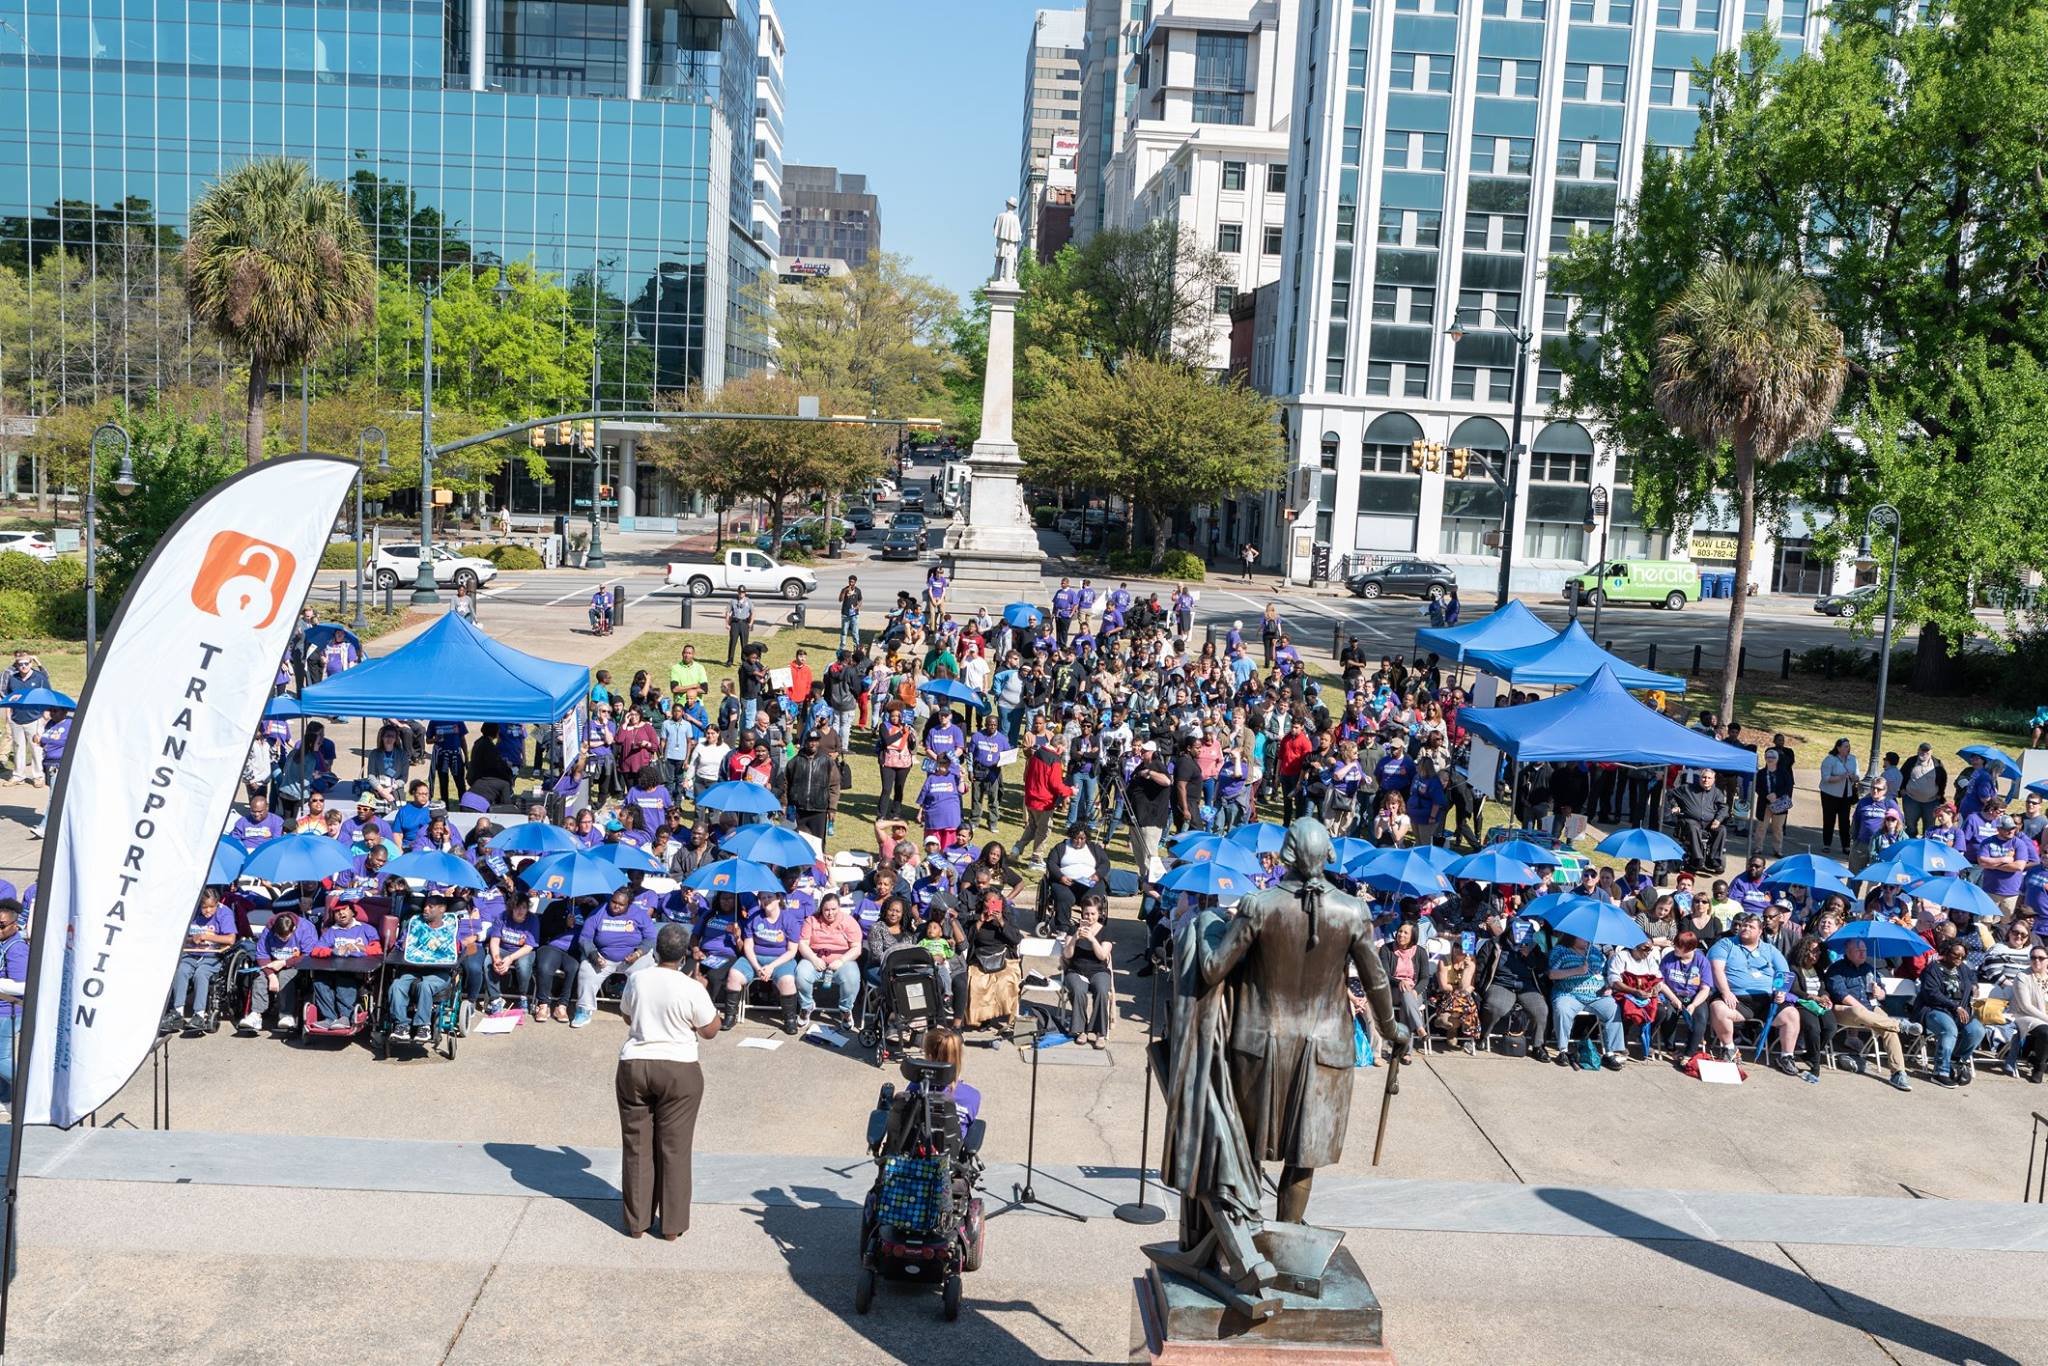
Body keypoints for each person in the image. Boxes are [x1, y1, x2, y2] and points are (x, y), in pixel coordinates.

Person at [616, 923, 720, 1239]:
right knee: (674, 1148)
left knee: (637, 1145)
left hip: (635, 1063)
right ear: (685, 954)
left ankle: (636, 1223)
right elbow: (710, 1029)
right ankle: (672, 1227)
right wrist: (701, 988)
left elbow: (627, 1016)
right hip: (679, 1068)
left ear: (656, 951)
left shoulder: (637, 979)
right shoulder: (691, 987)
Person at [1706, 911, 1800, 1068]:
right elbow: (1717, 968)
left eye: (1750, 926)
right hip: (1737, 999)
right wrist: (1725, 992)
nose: (1745, 928)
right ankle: (1729, 1048)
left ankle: (1786, 1057)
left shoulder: (1769, 949)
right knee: (1718, 1009)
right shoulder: (1725, 944)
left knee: (1792, 1015)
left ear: (1760, 931)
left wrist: (1781, 991)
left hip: (1767, 1000)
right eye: (1744, 925)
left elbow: (1784, 972)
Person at [1823, 937, 1912, 1090]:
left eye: (1864, 950)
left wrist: (1880, 992)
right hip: (1845, 1010)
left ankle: (1898, 1073)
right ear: (1848, 951)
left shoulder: (1869, 968)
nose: (1863, 954)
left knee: (1889, 1031)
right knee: (1861, 1011)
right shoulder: (1836, 969)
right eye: (1859, 951)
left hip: (1870, 1009)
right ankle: (1899, 1024)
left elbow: (1882, 995)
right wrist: (1864, 1011)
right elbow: (1842, 995)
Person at [574, 886, 658, 1028]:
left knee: (647, 971)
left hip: (633, 957)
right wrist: (594, 955)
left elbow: (651, 938)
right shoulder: (598, 913)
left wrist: (638, 953)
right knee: (586, 970)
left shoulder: (639, 914)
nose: (615, 906)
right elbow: (585, 938)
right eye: (613, 902)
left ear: (629, 904)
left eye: (621, 905)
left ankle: (644, 1010)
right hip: (603, 957)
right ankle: (584, 1009)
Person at [386, 893, 460, 1042]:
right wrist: (404, 944)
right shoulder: (415, 925)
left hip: (439, 971)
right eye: (425, 905)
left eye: (430, 907)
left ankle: (423, 1026)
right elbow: (401, 945)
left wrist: (459, 946)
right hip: (413, 968)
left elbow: (463, 947)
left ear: (441, 909)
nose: (425, 909)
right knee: (396, 986)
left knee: (425, 986)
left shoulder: (452, 927)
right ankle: (402, 1025)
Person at [164, 888, 237, 1032]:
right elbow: (178, 937)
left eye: (211, 907)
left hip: (214, 955)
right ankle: (178, 1012)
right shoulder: (192, 911)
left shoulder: (225, 913)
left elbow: (230, 939)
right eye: (204, 907)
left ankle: (199, 1013)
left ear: (217, 904)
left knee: (201, 974)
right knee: (181, 970)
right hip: (192, 952)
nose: (208, 911)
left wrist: (207, 936)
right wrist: (192, 939)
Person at [1548, 934, 1624, 1068]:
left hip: (1597, 995)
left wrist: (1609, 987)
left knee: (1612, 1008)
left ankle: (1610, 1053)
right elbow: (1552, 974)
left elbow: (1606, 974)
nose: (1588, 940)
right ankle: (1563, 1051)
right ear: (1572, 937)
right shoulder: (1560, 951)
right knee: (1562, 1008)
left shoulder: (1595, 953)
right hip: (1569, 994)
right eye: (1584, 937)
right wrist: (1577, 970)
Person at [1917, 935, 1985, 1087]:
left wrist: (1975, 986)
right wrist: (1955, 1007)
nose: (1959, 958)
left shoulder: (1963, 969)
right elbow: (1932, 994)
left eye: (1962, 956)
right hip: (1935, 1010)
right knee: (1949, 1030)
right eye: (1956, 955)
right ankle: (1940, 1072)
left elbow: (1972, 977)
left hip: (1960, 1011)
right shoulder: (1932, 969)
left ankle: (1956, 1059)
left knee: (1977, 1031)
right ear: (1946, 953)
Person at [308, 901, 384, 1025]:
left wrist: (358, 948)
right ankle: (329, 1018)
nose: (341, 913)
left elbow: (377, 950)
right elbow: (315, 951)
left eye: (344, 909)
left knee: (343, 980)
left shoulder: (366, 929)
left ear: (353, 912)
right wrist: (333, 951)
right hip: (334, 966)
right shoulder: (331, 931)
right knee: (319, 982)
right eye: (337, 911)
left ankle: (345, 1017)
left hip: (356, 971)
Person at [795, 893, 863, 1023]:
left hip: (842, 959)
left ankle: (845, 1010)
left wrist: (841, 960)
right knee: (801, 973)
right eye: (826, 910)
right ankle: (807, 1006)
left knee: (852, 978)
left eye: (833, 909)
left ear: (839, 908)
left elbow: (856, 948)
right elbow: (802, 943)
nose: (830, 913)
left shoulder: (849, 921)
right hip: (815, 957)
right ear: (821, 909)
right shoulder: (811, 920)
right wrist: (813, 959)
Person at [1062, 895, 1113, 1046]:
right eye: (1086, 914)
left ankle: (1099, 1033)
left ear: (1099, 914)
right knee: (1078, 990)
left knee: (1102, 990)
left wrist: (1091, 938)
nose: (1089, 917)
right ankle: (1081, 1030)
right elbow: (1067, 955)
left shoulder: (1105, 931)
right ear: (1082, 913)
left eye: (1093, 914)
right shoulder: (1074, 929)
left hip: (1098, 970)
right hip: (1076, 970)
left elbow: (1103, 955)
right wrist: (1074, 939)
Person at [1666, 768, 1730, 874]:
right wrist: (1675, 806)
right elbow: (1670, 794)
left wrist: (1718, 820)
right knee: (1693, 826)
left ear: (1714, 780)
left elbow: (1724, 808)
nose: (1706, 780)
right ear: (1700, 778)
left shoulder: (1717, 793)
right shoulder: (1687, 788)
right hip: (1691, 821)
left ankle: (1713, 860)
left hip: (1710, 823)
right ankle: (1697, 859)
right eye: (1704, 777)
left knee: (1721, 829)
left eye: (1709, 778)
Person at [0, 900, 23, 1108]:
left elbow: (24, 986)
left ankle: (28, 1091)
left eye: (1, 925)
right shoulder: (4, 944)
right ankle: (6, 1100)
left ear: (14, 925)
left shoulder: (16, 949)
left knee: (1, 1059)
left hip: (8, 1012)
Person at [1818, 739, 1858, 854]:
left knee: (1845, 820)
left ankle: (1846, 846)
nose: (1848, 749)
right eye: (1845, 747)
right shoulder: (1830, 760)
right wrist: (1841, 777)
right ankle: (1827, 844)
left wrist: (1854, 777)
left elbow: (1857, 776)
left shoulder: (1853, 759)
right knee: (1829, 819)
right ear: (1838, 748)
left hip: (1846, 794)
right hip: (1829, 794)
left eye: (1848, 747)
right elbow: (1826, 778)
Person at [725, 587, 754, 666]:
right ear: (737, 592)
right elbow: (728, 612)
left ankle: (744, 661)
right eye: (740, 592)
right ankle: (730, 660)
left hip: (744, 623)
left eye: (743, 592)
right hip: (735, 623)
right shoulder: (733, 601)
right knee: (732, 642)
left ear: (745, 593)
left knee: (744, 643)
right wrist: (727, 623)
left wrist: (751, 623)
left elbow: (752, 613)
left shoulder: (749, 601)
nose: (741, 593)